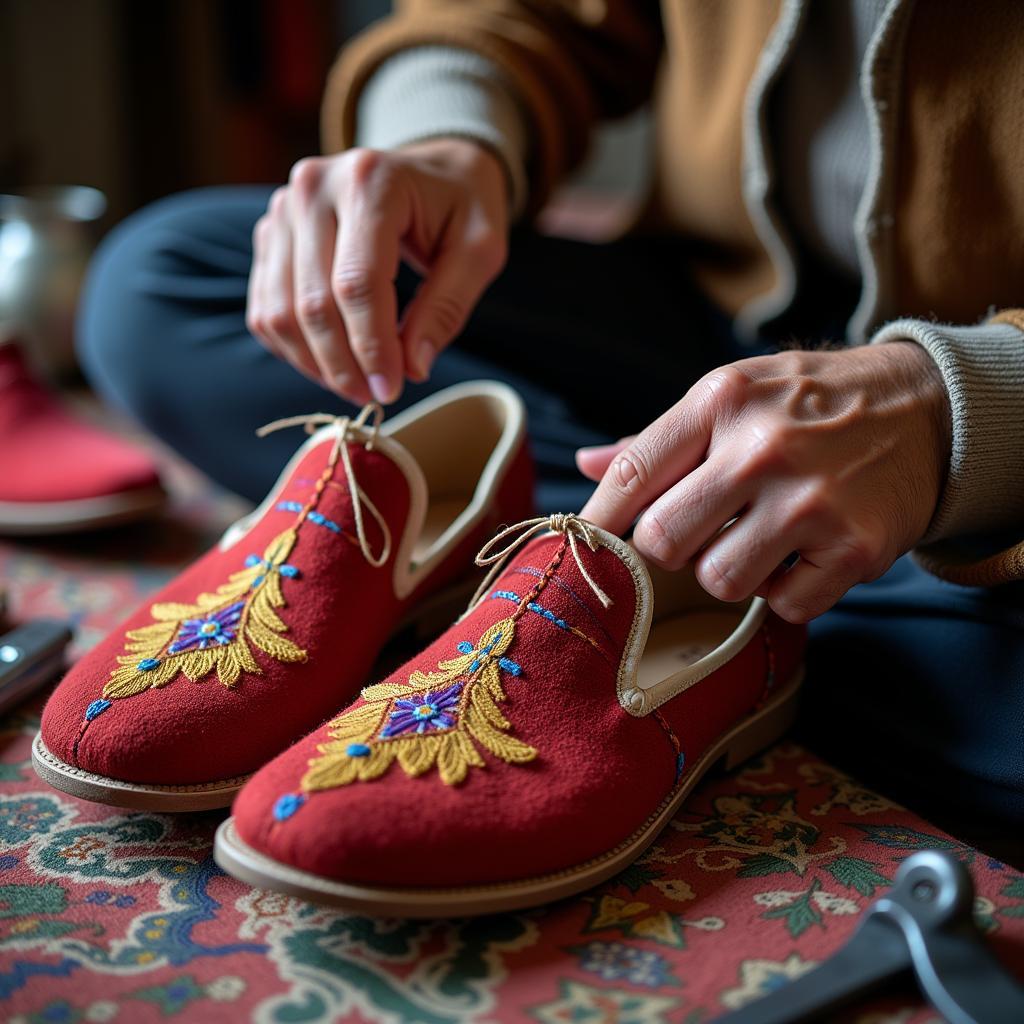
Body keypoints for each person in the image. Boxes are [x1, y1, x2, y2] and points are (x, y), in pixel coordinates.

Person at [78, 1, 1024, 856]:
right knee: (161, 279)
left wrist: (955, 410)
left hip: (989, 423)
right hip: (706, 317)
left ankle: (595, 573)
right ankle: (715, 596)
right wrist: (449, 139)